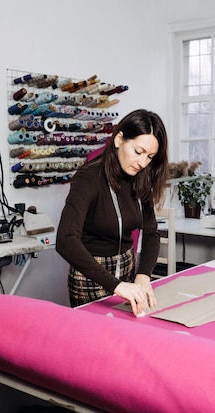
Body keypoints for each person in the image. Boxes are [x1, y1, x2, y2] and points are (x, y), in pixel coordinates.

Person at [56, 109, 169, 315]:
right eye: (138, 152)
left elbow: (151, 232)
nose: (143, 163)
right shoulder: (88, 177)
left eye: (150, 157)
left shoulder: (140, 177)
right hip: (90, 276)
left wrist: (143, 275)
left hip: (127, 271)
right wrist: (117, 285)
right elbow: (65, 239)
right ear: (119, 140)